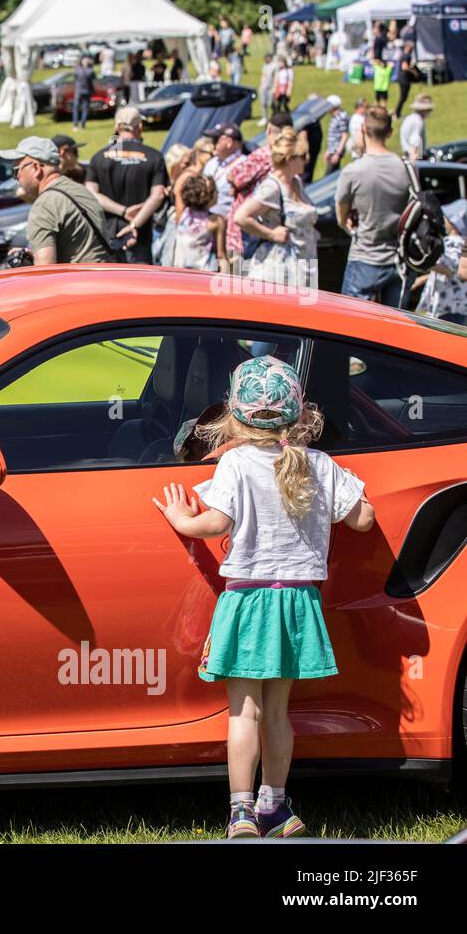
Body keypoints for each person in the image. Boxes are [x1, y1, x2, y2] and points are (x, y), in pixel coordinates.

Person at [153, 356, 374, 838]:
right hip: (298, 603)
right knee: (278, 712)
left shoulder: (234, 462)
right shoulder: (319, 464)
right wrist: (359, 495)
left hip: (248, 602)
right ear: (299, 415)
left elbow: (215, 524)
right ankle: (276, 805)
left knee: (244, 711)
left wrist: (180, 521)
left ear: (234, 417)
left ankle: (241, 812)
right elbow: (362, 520)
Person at [336, 107, 412, 307]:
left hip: (365, 256)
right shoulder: (407, 168)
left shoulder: (353, 171)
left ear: (363, 129)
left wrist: (349, 224)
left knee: (350, 327)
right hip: (399, 259)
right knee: (394, 330)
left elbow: (340, 218)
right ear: (390, 133)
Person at [0, 135, 110, 265]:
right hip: (102, 278)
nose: (16, 177)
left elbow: (45, 271)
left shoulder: (44, 205)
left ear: (35, 168)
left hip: (74, 283)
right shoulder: (81, 191)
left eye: (16, 170)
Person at [235, 128, 319, 290]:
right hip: (279, 271)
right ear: (289, 159)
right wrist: (271, 234)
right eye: (302, 156)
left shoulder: (296, 183)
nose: (307, 159)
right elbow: (241, 217)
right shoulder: (272, 188)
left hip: (303, 265)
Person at [86, 106, 169, 264]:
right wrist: (134, 223)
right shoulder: (154, 156)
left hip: (108, 235)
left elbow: (91, 195)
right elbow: (158, 195)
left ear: (116, 127)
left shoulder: (98, 158)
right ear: (140, 126)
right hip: (141, 234)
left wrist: (122, 211)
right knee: (141, 284)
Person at [225, 111, 294, 269]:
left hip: (247, 228)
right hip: (273, 225)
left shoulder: (263, 155)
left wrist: (233, 181)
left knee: (240, 279)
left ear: (269, 129)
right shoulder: (289, 158)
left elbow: (235, 177)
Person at [415, 200, 467, 324]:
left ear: (454, 222)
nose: (443, 220)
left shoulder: (453, 242)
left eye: (446, 218)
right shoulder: (458, 242)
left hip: (449, 306)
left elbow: (452, 269)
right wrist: (423, 278)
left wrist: (427, 264)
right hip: (454, 304)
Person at [173, 175, 229, 273]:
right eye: (215, 190)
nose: (218, 193)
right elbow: (221, 255)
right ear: (208, 196)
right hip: (204, 273)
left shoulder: (183, 213)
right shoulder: (216, 221)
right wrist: (227, 279)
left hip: (179, 271)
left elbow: (177, 191)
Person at [399, 94, 432, 161]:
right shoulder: (418, 122)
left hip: (407, 155)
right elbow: (415, 143)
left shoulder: (409, 118)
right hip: (414, 158)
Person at [323, 95, 348, 175]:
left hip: (335, 151)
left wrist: (337, 153)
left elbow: (344, 136)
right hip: (332, 151)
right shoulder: (334, 117)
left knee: (328, 176)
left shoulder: (340, 118)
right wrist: (328, 151)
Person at [72, 55, 95, 132]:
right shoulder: (90, 70)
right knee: (84, 108)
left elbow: (75, 77)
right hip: (87, 91)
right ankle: (83, 125)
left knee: (76, 108)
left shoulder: (78, 69)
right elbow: (94, 79)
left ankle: (76, 125)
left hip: (79, 91)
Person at [347, 97, 368, 162]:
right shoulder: (356, 119)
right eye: (366, 106)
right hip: (360, 154)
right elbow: (359, 137)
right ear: (360, 107)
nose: (367, 108)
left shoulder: (362, 117)